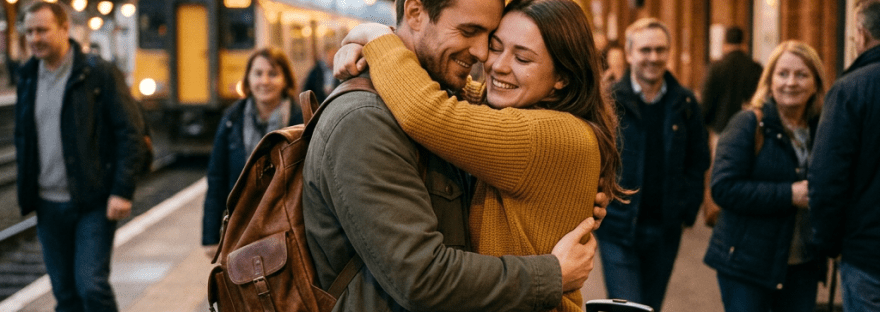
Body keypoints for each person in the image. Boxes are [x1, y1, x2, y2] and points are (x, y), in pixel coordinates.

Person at [303, 0, 606, 311]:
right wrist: (372, 42)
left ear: (563, 77)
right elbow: (462, 100)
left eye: (523, 58)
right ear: (415, 12)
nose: (487, 57)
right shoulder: (365, 118)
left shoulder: (549, 135)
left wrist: (375, 36)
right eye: (482, 38)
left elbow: (428, 111)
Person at [14, 2, 147, 311]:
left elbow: (130, 132)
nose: (35, 38)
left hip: (93, 201)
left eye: (42, 30)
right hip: (48, 204)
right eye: (29, 31)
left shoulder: (97, 73)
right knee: (65, 293)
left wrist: (122, 191)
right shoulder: (28, 76)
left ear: (65, 29)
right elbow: (25, 137)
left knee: (91, 286)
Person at [594, 17, 710, 311]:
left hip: (664, 231)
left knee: (650, 306)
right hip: (618, 229)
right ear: (630, 54)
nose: (653, 58)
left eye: (660, 50)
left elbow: (698, 160)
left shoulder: (684, 103)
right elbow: (591, 156)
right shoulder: (609, 101)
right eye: (646, 50)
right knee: (629, 308)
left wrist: (686, 210)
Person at [703, 41, 828, 312]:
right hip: (747, 265)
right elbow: (723, 187)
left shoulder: (824, 129)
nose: (791, 83)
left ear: (816, 83)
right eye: (782, 74)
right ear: (769, 80)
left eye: (801, 74)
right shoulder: (748, 124)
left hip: (802, 265)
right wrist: (789, 194)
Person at [810, 1, 880, 310]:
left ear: (862, 35)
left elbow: (827, 181)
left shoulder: (851, 90)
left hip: (868, 255)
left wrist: (830, 243)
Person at [201, 47, 303, 254]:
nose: (264, 81)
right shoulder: (232, 119)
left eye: (273, 74)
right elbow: (217, 178)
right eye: (257, 74)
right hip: (241, 226)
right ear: (248, 80)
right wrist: (211, 236)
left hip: (289, 228)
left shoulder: (300, 120)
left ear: (285, 80)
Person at [699, 26, 763, 226]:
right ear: (745, 42)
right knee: (746, 174)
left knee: (721, 176)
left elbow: (706, 103)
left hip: (721, 130)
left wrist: (705, 126)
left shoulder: (716, 68)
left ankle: (720, 213)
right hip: (752, 131)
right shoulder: (755, 68)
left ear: (725, 43)